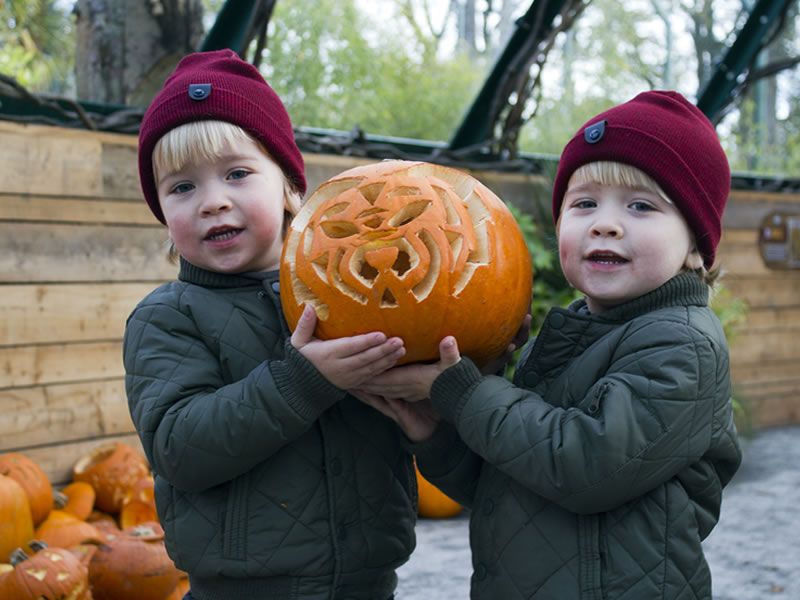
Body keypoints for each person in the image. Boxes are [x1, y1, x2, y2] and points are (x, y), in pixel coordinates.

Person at [356, 90, 743, 599]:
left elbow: (586, 467)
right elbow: (510, 480)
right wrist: (436, 435)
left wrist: (467, 395)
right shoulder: (567, 338)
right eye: (584, 204)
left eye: (642, 206)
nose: (604, 222)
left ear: (695, 243)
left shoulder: (682, 344)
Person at [123, 49, 416, 600]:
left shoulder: (353, 294)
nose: (213, 202)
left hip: (370, 584)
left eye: (237, 174)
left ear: (287, 187)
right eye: (182, 188)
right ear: (162, 212)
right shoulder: (167, 317)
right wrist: (300, 381)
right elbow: (180, 448)